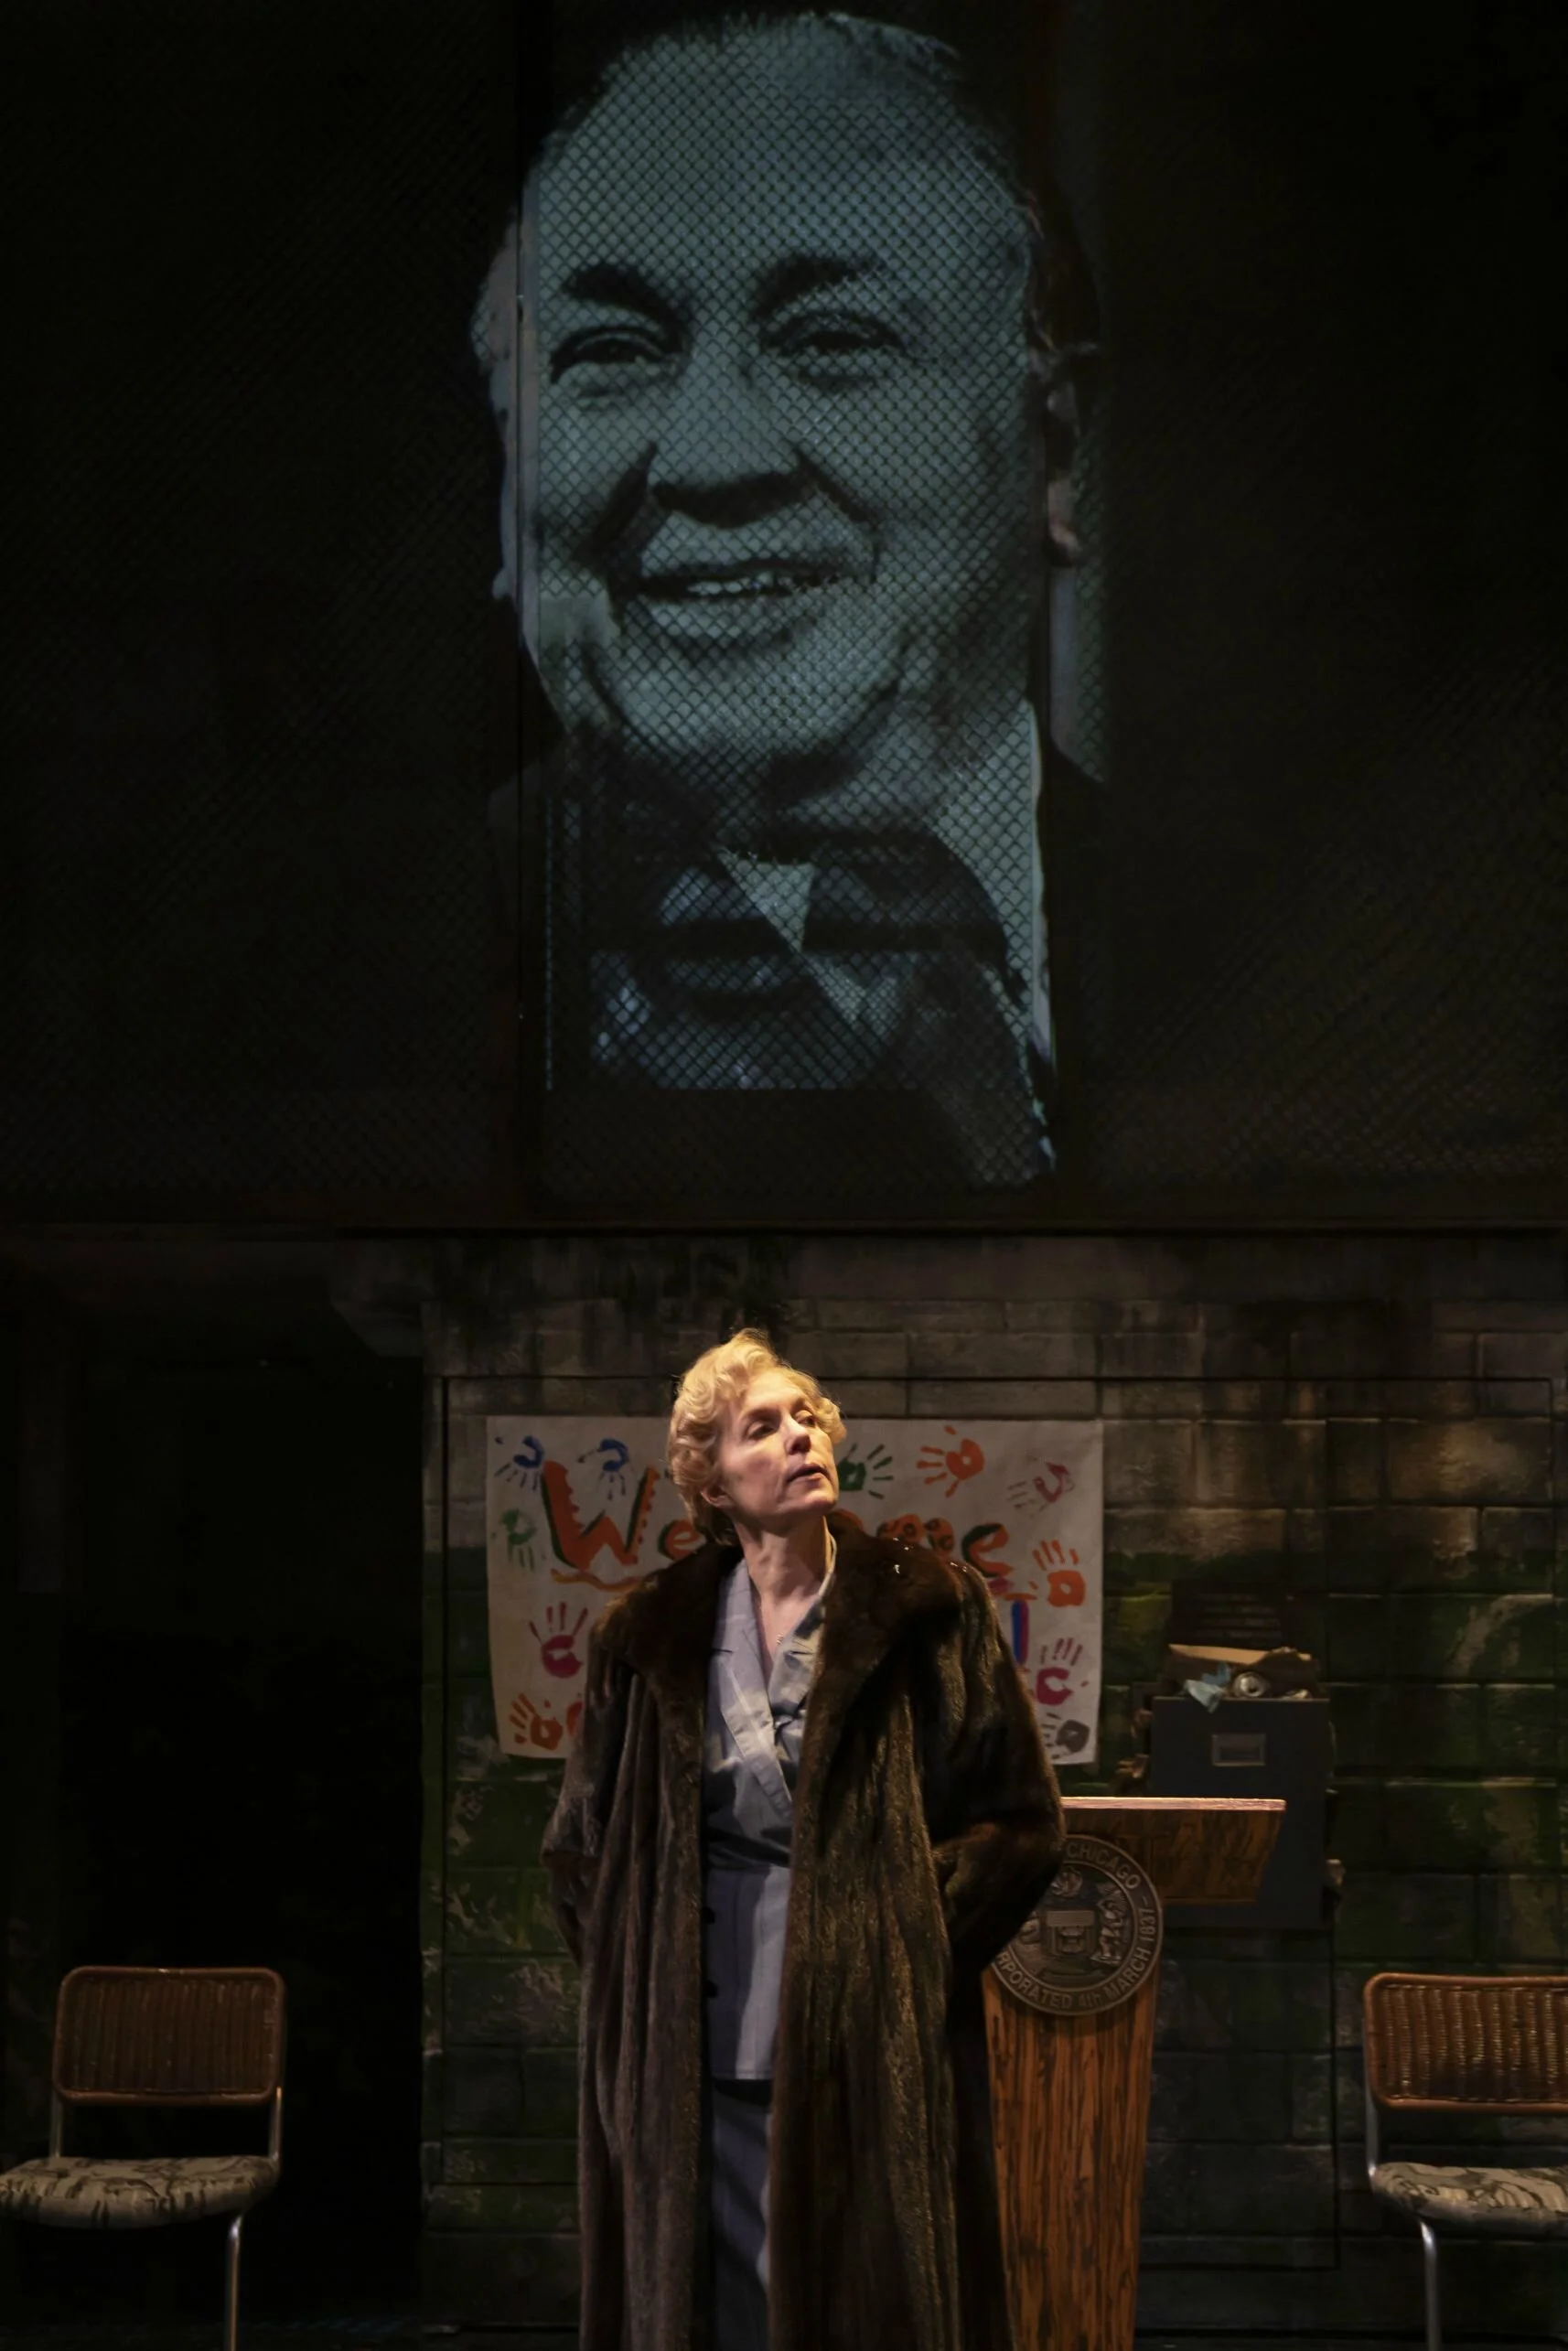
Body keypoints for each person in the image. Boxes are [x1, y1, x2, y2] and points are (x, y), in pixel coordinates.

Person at [474, 6, 1096, 1189]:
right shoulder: (349, 974)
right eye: (611, 350)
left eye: (830, 337)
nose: (709, 458)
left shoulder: (1298, 949)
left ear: (1050, 452)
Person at [542, 1329, 1064, 2351]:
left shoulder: (926, 1607)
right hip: (691, 2041)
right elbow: (579, 1848)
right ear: (713, 1482)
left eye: (807, 1416)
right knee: (712, 2306)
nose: (799, 1435)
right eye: (763, 1426)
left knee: (862, 2305)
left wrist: (902, 1936)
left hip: (864, 2035)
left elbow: (1022, 1823)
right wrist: (637, 1975)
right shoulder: (646, 1632)